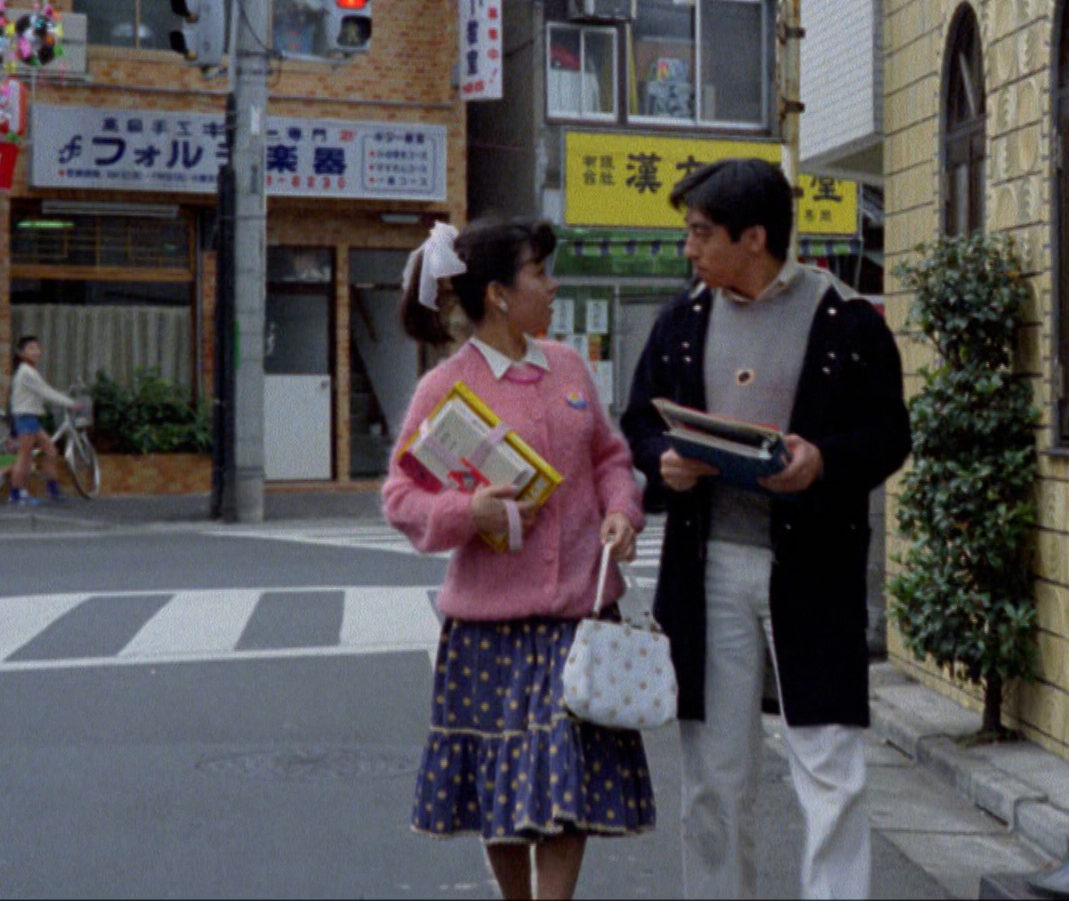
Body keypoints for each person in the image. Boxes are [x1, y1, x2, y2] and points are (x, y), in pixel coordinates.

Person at [621, 159, 911, 900]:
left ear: (753, 237)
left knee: (830, 765)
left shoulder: (846, 319)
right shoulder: (682, 322)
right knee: (713, 775)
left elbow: (889, 435)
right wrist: (665, 462)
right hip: (707, 566)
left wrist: (821, 462)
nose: (688, 248)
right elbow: (638, 427)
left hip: (813, 569)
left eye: (701, 232)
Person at [383, 219, 654, 901]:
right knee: (500, 783)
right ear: (499, 295)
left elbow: (609, 458)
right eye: (540, 273)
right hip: (489, 628)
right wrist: (465, 513)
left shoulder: (569, 367)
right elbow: (400, 497)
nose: (553, 285)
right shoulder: (444, 387)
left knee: (570, 783)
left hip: (578, 618)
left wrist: (622, 510)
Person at [7, 336, 82, 505]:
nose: (36, 352)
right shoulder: (26, 372)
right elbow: (46, 392)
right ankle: (15, 495)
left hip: (31, 417)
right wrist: (71, 403)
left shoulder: (29, 370)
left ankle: (53, 490)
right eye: (31, 348)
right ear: (21, 353)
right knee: (25, 457)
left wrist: (66, 399)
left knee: (50, 451)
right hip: (26, 417)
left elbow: (44, 390)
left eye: (38, 348)